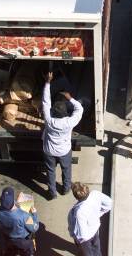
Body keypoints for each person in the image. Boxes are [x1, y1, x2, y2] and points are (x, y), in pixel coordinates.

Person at [42, 71, 83, 199]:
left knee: (50, 171)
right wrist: (70, 98)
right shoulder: (69, 122)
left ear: (53, 112)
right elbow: (79, 109)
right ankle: (65, 189)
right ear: (65, 112)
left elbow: (45, 101)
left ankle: (52, 193)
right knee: (66, 170)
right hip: (64, 151)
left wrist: (48, 82)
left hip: (49, 151)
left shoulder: (49, 120)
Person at [67, 182, 112, 256]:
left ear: (76, 196)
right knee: (96, 249)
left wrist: (78, 240)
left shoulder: (79, 212)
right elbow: (109, 203)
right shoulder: (95, 194)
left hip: (85, 240)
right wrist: (99, 213)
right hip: (94, 229)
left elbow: (83, 235)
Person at [0, 187, 40, 256]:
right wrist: (34, 214)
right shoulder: (24, 216)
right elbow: (35, 227)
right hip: (22, 242)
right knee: (28, 252)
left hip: (8, 238)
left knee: (11, 250)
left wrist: (17, 204)